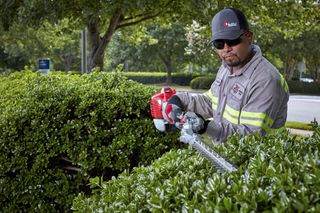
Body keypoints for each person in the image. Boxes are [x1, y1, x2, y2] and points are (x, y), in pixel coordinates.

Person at [163, 8, 289, 143]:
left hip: (256, 161)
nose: (226, 49)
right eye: (219, 43)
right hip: (226, 157)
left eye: (233, 40)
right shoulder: (227, 67)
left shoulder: (266, 80)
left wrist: (204, 127)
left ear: (249, 37)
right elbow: (210, 102)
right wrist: (179, 100)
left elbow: (250, 136)